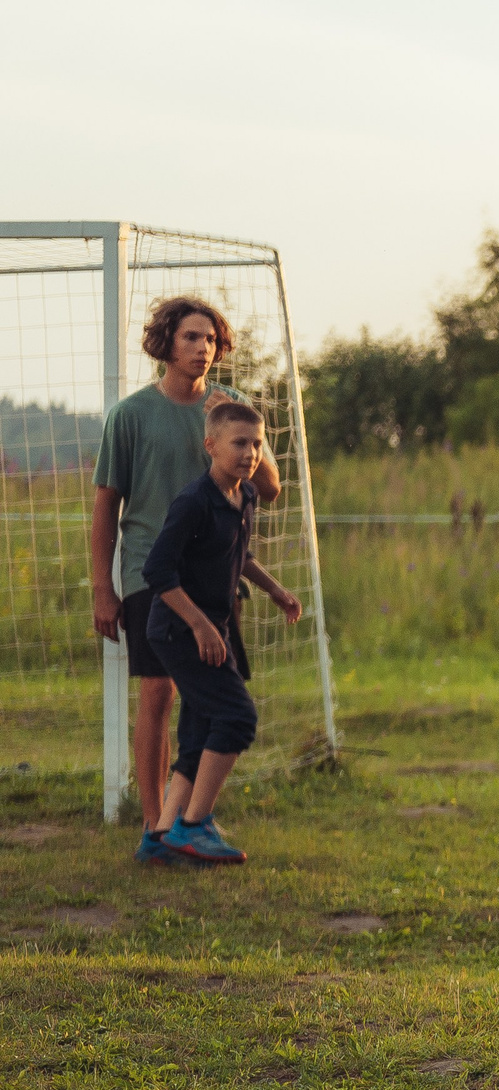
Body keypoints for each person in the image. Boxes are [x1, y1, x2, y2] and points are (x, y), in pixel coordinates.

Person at [89, 295, 282, 861]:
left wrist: (252, 435)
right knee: (159, 693)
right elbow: (106, 509)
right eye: (191, 338)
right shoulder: (131, 415)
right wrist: (104, 588)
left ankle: (186, 822)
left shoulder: (231, 412)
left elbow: (267, 489)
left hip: (215, 577)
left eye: (211, 340)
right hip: (154, 571)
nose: (203, 348)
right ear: (166, 344)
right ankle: (154, 827)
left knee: (205, 699)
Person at [138, 399, 302, 865]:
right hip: (178, 631)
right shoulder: (193, 501)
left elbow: (238, 556)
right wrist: (199, 625)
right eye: (239, 443)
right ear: (210, 445)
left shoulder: (245, 495)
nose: (250, 453)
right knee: (237, 718)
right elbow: (158, 570)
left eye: (256, 444)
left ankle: (161, 837)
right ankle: (195, 825)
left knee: (201, 729)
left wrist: (274, 589)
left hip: (215, 628)